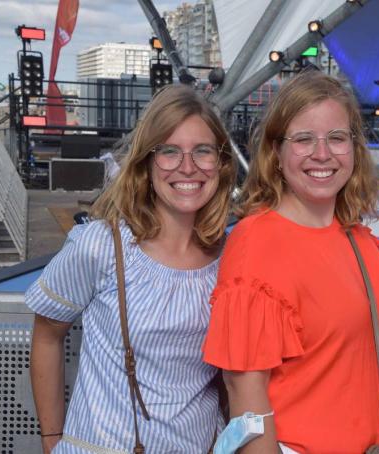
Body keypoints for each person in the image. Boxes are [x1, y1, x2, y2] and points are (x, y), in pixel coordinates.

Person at [202, 71, 379, 453]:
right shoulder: (258, 245)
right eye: (303, 139)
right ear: (276, 154)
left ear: (354, 149)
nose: (323, 154)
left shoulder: (351, 233)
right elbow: (246, 397)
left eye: (337, 138)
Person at [26, 85, 236, 454]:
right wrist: (52, 440)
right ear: (147, 162)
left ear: (220, 161)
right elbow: (47, 334)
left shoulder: (232, 259)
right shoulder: (101, 247)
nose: (187, 167)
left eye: (202, 150)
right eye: (169, 151)